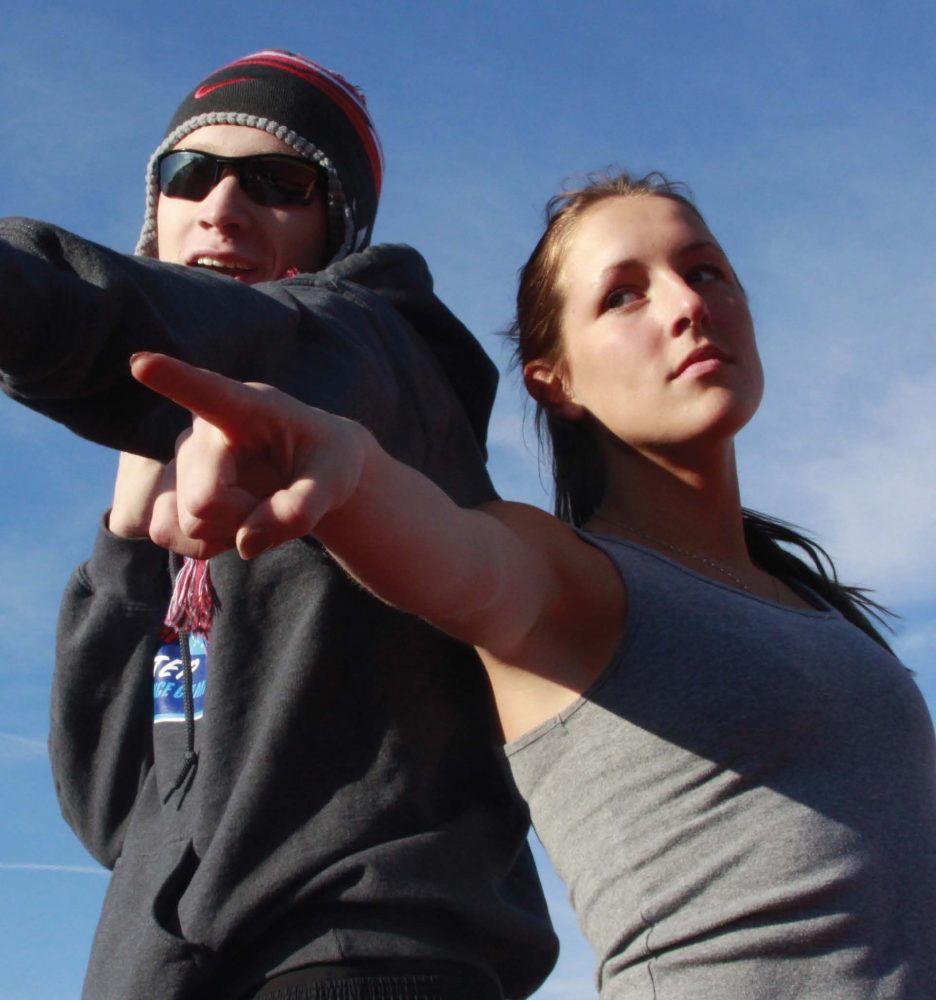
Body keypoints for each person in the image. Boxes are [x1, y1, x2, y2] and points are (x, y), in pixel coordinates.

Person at [129, 171, 936, 999]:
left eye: (703, 272)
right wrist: (339, 459)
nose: (687, 305)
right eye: (623, 295)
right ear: (556, 381)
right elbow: (452, 551)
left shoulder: (807, 605)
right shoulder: (561, 577)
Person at [0, 51, 558, 1000]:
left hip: (365, 951)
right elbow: (118, 814)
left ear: (335, 227)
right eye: (190, 174)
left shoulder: (381, 351)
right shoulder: (168, 500)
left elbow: (271, 337)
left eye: (278, 182)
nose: (222, 206)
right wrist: (129, 546)